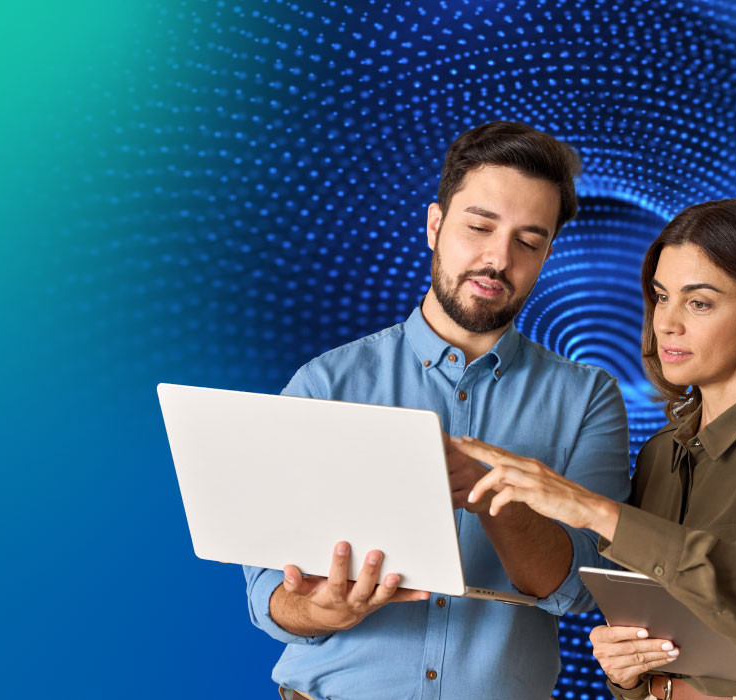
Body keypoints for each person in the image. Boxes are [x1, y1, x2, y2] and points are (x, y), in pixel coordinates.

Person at [243, 121, 632, 700]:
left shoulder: (588, 399)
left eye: (528, 242)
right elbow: (267, 593)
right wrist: (319, 610)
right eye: (479, 226)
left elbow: (582, 588)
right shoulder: (325, 384)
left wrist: (491, 492)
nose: (498, 259)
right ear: (434, 226)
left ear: (547, 255)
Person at [459, 198, 736, 699]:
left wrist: (595, 510)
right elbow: (655, 631)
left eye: (699, 303)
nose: (667, 323)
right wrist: (627, 671)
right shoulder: (660, 452)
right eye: (661, 297)